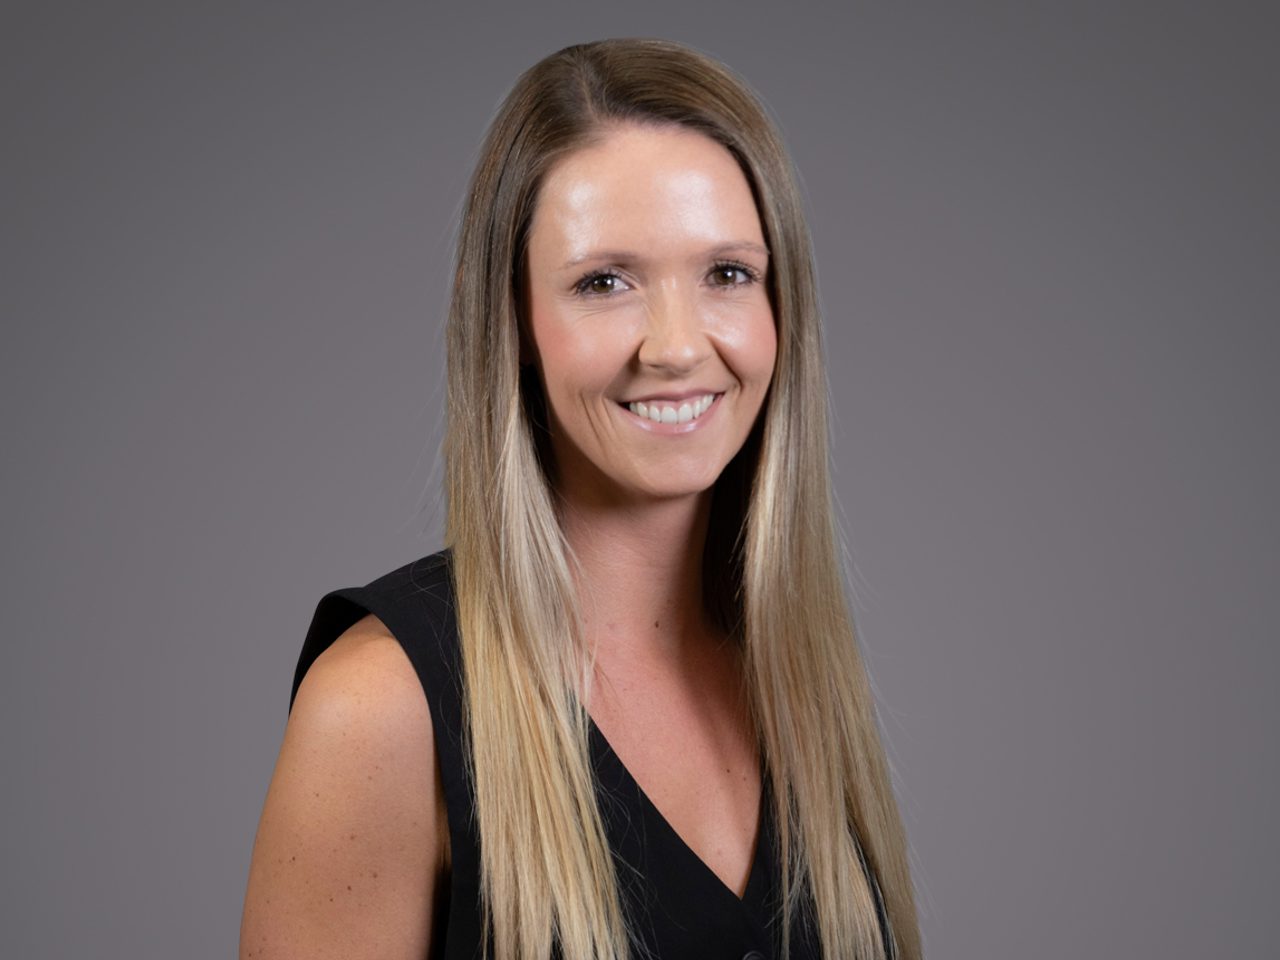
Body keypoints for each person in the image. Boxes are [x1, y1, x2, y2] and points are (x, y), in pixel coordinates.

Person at [240, 37, 922, 960]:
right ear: (510, 318)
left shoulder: (792, 672)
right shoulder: (381, 706)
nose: (677, 346)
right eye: (604, 282)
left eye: (726, 273)